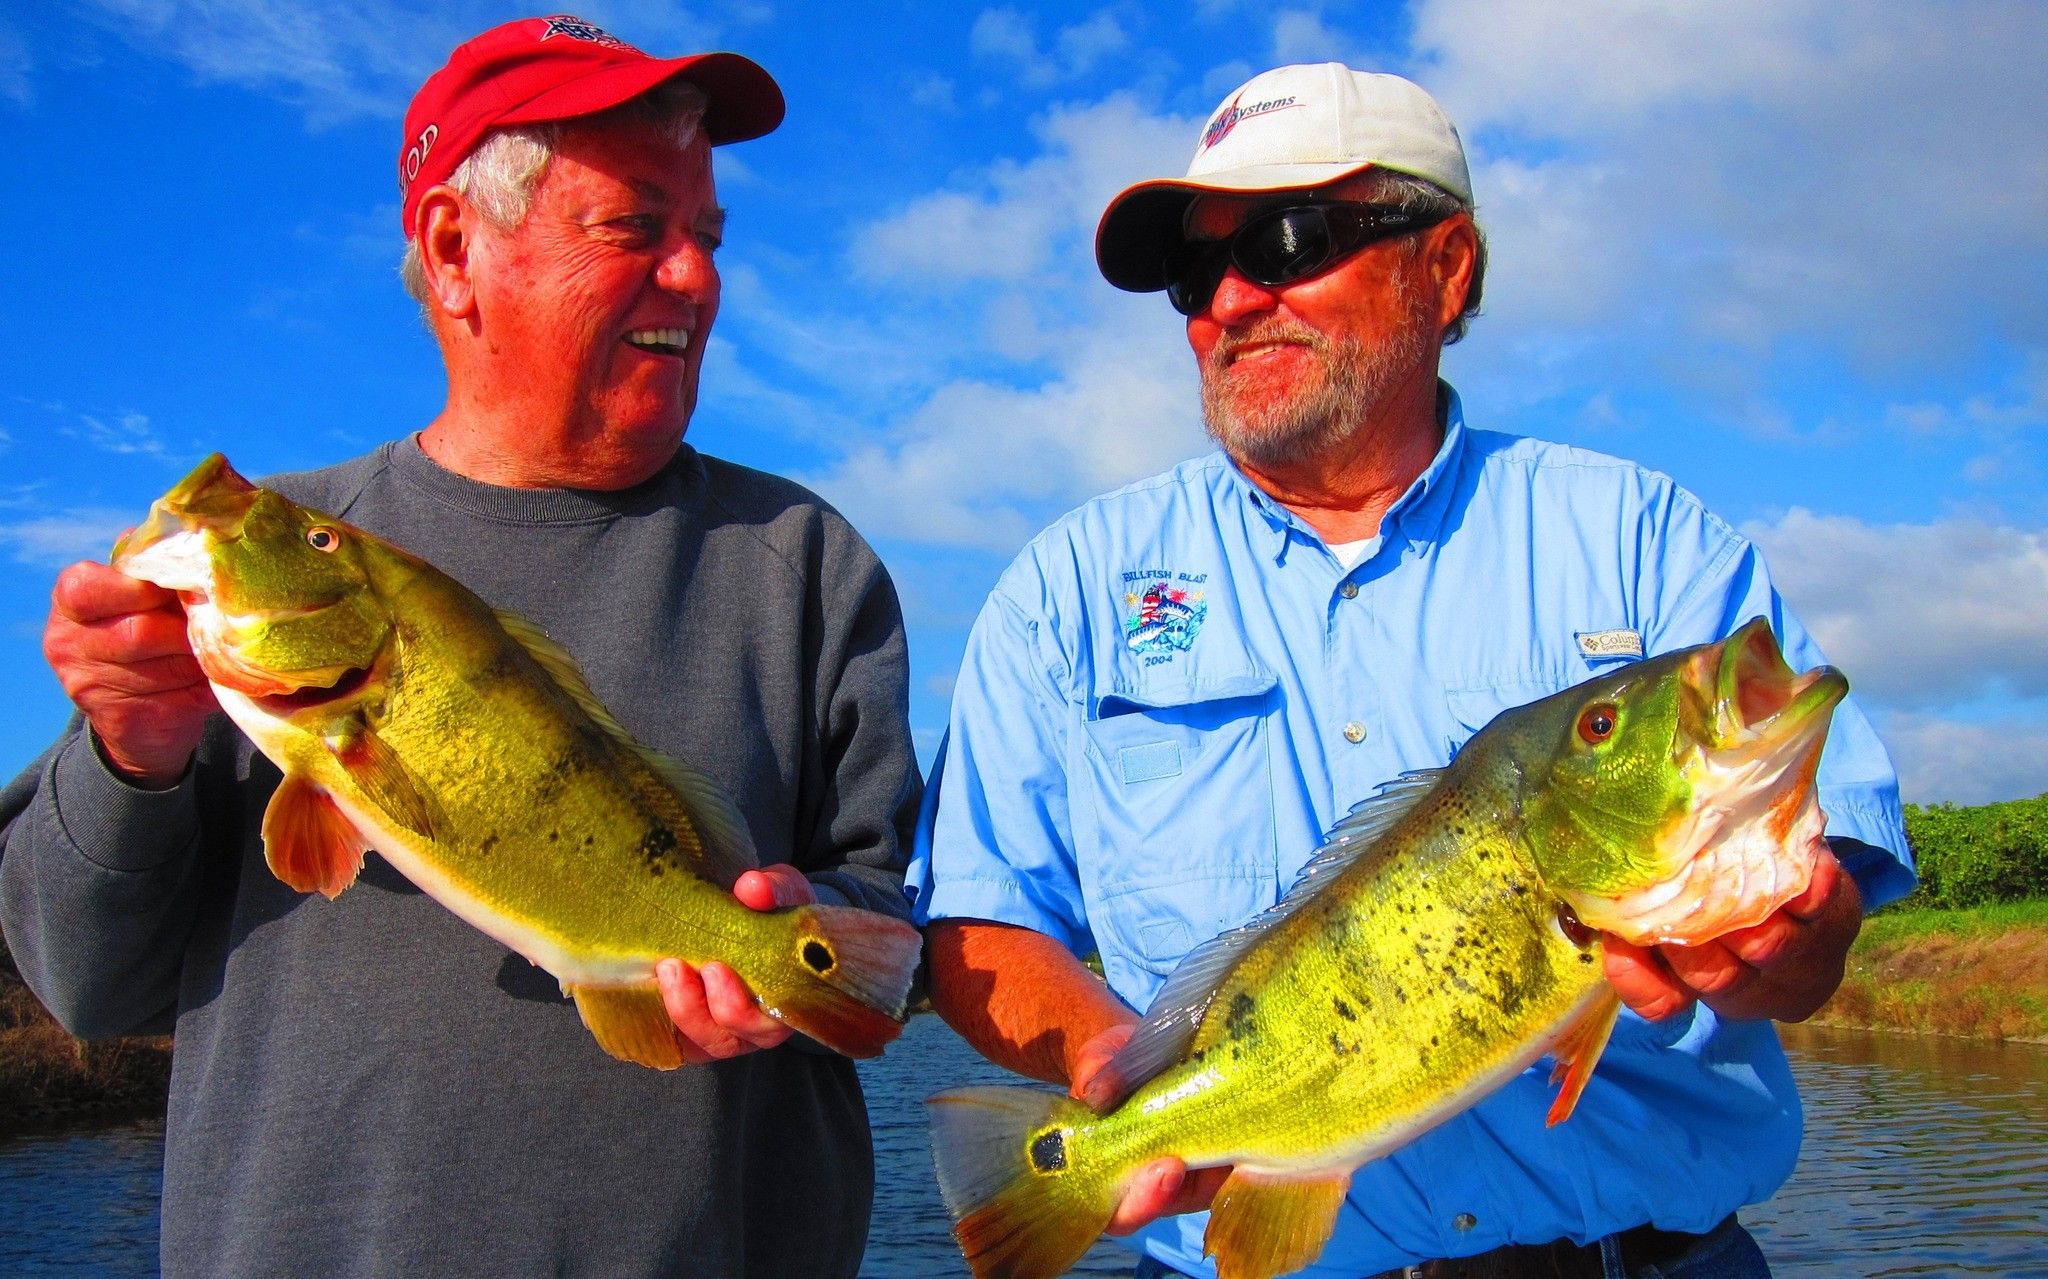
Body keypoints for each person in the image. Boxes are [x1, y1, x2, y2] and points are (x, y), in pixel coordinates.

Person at [913, 63, 1913, 1279]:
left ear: (1444, 268)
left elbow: (1816, 936)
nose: (1228, 299)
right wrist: (1117, 1067)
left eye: (1288, 241)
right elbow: (981, 918)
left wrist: (1793, 945)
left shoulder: (1643, 536)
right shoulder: (1064, 590)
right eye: (1194, 271)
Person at [0, 16, 919, 1278]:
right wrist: (131, 758)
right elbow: (87, 990)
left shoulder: (807, 564)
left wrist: (800, 937)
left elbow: (876, 945)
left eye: (704, 238)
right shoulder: (244, 599)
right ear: (451, 250)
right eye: (634, 228)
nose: (696, 276)